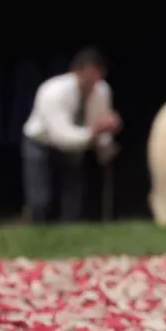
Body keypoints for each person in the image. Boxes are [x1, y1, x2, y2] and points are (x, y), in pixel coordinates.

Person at [22, 47, 121, 223]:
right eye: (89, 75)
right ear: (76, 71)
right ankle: (36, 234)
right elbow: (62, 135)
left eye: (97, 76)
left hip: (76, 142)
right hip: (40, 141)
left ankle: (69, 235)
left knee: (74, 197)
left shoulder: (102, 90)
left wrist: (106, 145)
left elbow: (98, 120)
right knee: (40, 200)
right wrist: (94, 132)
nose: (92, 81)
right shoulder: (53, 92)